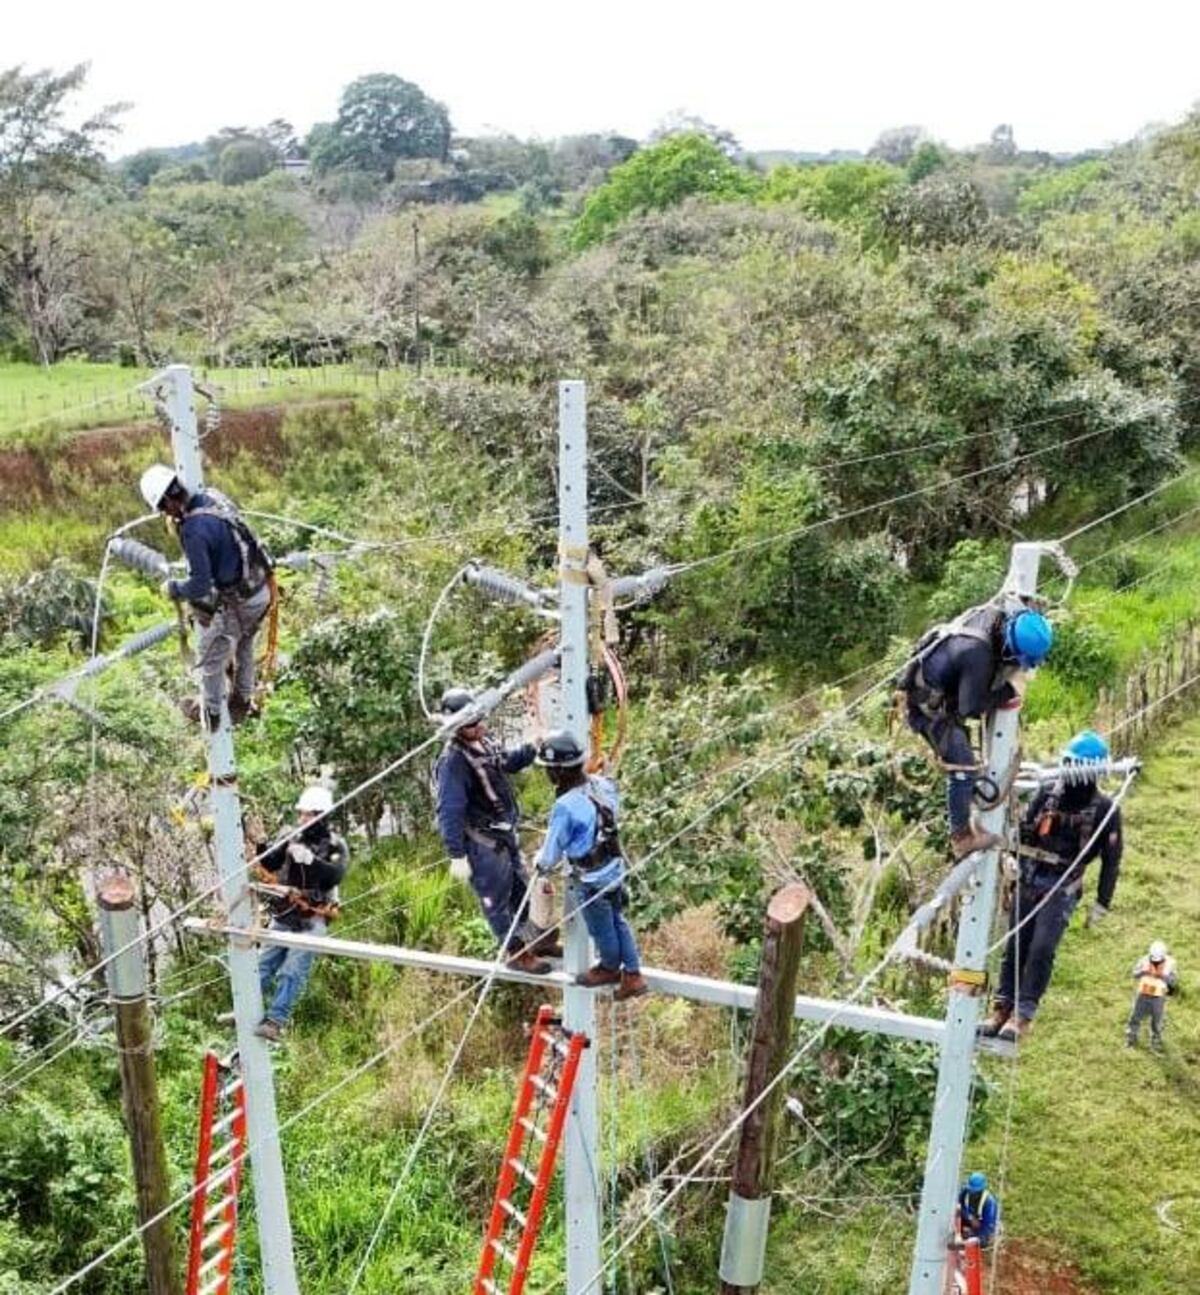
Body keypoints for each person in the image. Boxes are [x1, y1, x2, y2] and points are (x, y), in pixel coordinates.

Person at [980, 730, 1123, 1045]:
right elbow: (1025, 831)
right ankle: (1001, 1008)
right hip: (1030, 876)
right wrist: (1012, 859)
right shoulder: (1047, 793)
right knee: (1016, 946)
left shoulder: (1104, 810)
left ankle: (1023, 1014)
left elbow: (1112, 860)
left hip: (1062, 886)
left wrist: (1102, 901)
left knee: (1041, 949)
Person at [899, 604, 1053, 860]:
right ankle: (961, 838)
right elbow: (970, 707)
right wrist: (1010, 690)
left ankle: (969, 808)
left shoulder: (998, 617)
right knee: (963, 767)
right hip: (927, 708)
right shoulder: (977, 653)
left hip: (939, 684)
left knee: (966, 760)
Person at [433, 688, 559, 974]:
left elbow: (508, 762)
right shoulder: (453, 762)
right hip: (483, 845)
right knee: (496, 901)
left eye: (478, 720)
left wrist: (532, 748)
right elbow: (449, 810)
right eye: (471, 724)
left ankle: (535, 941)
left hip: (504, 835)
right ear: (457, 728)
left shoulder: (485, 740)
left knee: (522, 891)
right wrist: (456, 855)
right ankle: (515, 952)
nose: (478, 727)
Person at [139, 464, 272, 730]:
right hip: (260, 589)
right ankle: (243, 699)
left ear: (167, 502)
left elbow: (200, 585)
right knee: (245, 643)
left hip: (242, 601)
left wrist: (175, 589)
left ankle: (211, 715)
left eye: (164, 509)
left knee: (210, 656)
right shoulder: (214, 497)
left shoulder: (194, 531)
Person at [534, 730, 648, 1002]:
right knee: (618, 920)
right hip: (614, 868)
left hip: (591, 879)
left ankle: (609, 967)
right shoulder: (602, 785)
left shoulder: (565, 806)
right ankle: (633, 974)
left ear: (557, 772)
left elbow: (550, 856)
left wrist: (539, 864)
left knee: (601, 928)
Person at [252, 784, 348, 1042]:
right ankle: (247, 1011)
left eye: (308, 814)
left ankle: (276, 1020)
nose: (303, 819)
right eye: (302, 814)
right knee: (261, 966)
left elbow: (335, 875)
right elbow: (271, 863)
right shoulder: (292, 836)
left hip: (313, 916)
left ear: (322, 816)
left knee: (292, 970)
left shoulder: (336, 845)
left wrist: (312, 861)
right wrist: (262, 843)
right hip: (285, 914)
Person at [1126, 940, 1177, 1051]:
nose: (1155, 961)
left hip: (1158, 996)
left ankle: (1155, 1041)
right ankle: (1131, 1038)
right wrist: (1143, 972)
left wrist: (1162, 976)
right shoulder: (1144, 959)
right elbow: (1134, 973)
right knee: (1135, 1016)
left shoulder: (1171, 963)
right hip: (1143, 993)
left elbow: (1173, 981)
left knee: (1157, 1020)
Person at [954, 1172, 999, 1249]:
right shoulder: (965, 1192)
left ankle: (965, 1244)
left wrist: (973, 1232)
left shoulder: (989, 1203)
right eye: (971, 1190)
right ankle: (960, 1237)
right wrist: (969, 1217)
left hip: (981, 1228)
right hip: (967, 1219)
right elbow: (957, 1205)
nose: (972, 1193)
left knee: (983, 1241)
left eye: (975, 1192)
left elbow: (988, 1228)